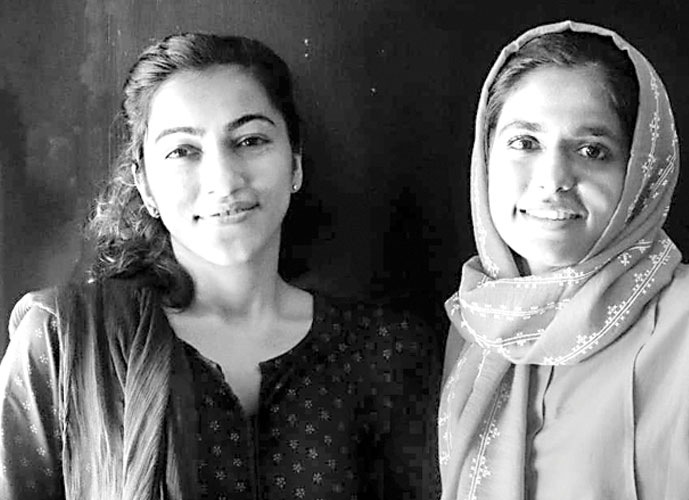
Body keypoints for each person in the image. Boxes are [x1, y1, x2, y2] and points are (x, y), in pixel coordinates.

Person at [0, 32, 439, 499]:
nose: (224, 180)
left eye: (250, 140)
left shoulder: (386, 352)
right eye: (182, 151)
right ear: (144, 184)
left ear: (295, 162)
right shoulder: (67, 341)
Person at [438, 20, 689, 499]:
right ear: (485, 158)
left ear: (638, 171)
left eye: (592, 150)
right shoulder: (480, 326)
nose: (553, 178)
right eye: (525, 142)